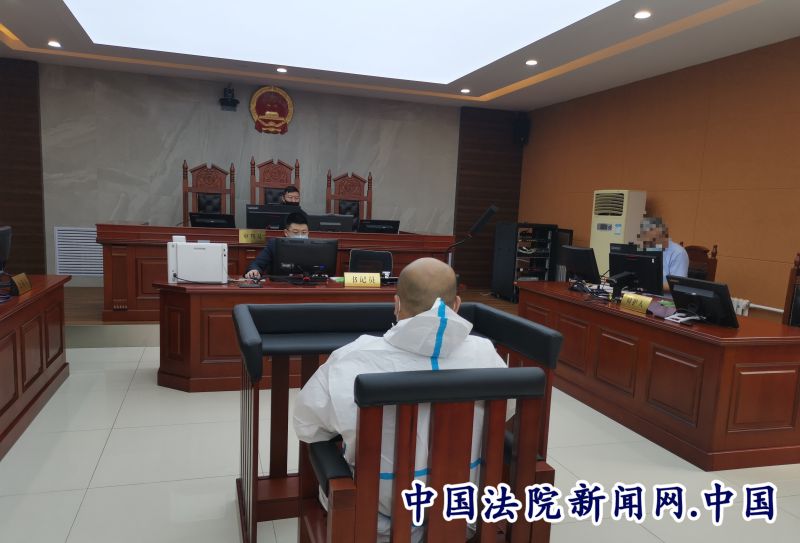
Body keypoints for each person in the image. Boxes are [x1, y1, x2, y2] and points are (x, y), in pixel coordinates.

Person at [292, 257, 510, 541]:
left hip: (378, 521)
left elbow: (308, 426)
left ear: (396, 304)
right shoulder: (485, 354)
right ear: (456, 305)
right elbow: (505, 412)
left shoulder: (353, 358)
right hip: (462, 515)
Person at [244, 212, 308, 279]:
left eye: (304, 232)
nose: (300, 236)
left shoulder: (314, 246)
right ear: (286, 233)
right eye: (295, 232)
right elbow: (257, 264)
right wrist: (254, 270)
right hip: (280, 283)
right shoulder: (274, 245)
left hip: (306, 283)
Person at [637, 216, 689, 290]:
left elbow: (677, 285)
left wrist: (647, 284)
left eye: (653, 240)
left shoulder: (678, 253)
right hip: (647, 291)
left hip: (667, 296)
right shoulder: (649, 249)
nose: (649, 244)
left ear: (663, 234)